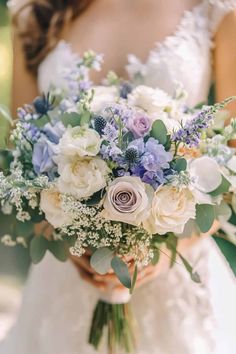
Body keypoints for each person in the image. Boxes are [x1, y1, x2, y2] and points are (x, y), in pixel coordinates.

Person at [1, 0, 236, 353]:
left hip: (176, 278)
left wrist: (168, 251)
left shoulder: (216, 9)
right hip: (65, 274)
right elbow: (21, 155)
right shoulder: (32, 11)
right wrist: (63, 239)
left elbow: (230, 164)